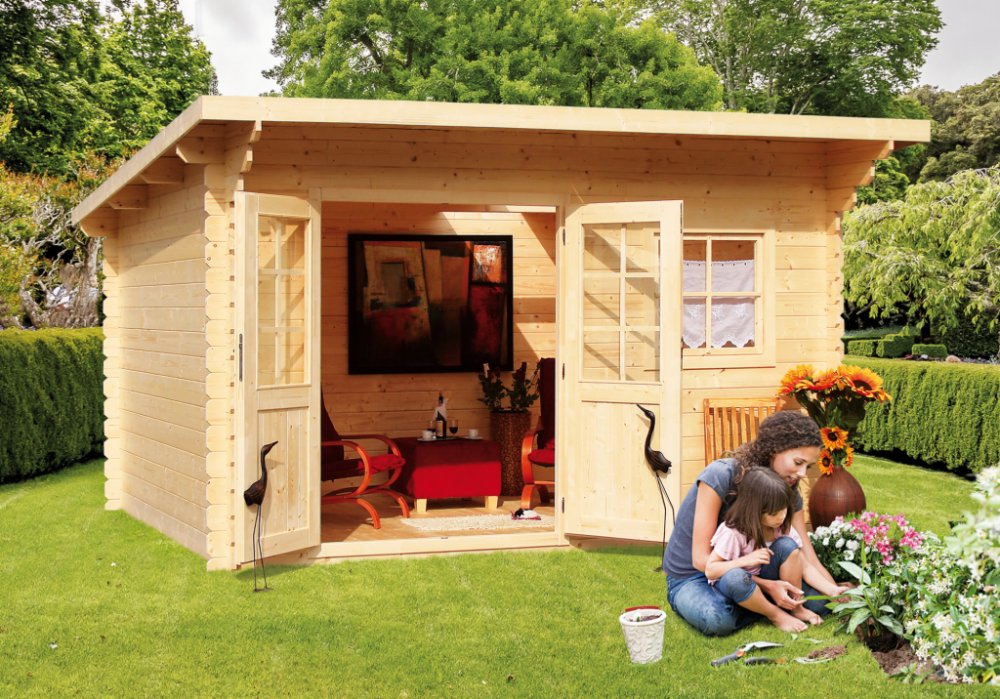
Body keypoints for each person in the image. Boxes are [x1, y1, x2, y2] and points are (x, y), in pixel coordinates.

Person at [663, 410, 844, 636]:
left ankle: (755, 602)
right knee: (717, 618)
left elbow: (805, 554)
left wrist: (836, 594)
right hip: (695, 576)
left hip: (751, 569)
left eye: (808, 466)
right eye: (798, 462)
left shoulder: (788, 492)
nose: (802, 473)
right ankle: (768, 608)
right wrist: (768, 586)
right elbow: (701, 561)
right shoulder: (721, 475)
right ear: (774, 449)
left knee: (819, 603)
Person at [704, 467, 849, 631]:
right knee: (736, 579)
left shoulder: (782, 527)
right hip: (742, 586)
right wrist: (745, 561)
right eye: (774, 513)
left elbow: (804, 566)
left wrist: (832, 589)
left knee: (820, 605)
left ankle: (796, 608)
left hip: (772, 581)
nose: (781, 517)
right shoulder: (734, 533)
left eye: (784, 509)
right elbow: (711, 570)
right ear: (754, 510)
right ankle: (774, 614)